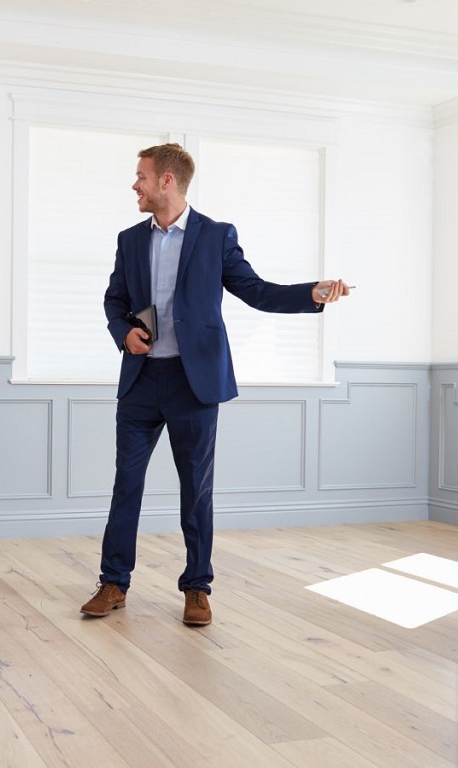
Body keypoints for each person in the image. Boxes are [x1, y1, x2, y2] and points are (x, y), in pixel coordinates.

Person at [81, 143, 350, 626]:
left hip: (195, 384)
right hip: (141, 382)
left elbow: (257, 291)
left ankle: (197, 588)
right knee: (127, 485)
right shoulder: (129, 240)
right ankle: (114, 582)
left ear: (167, 180)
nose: (134, 185)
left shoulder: (215, 236)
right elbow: (114, 300)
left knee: (197, 491)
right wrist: (124, 333)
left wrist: (310, 294)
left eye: (140, 176)